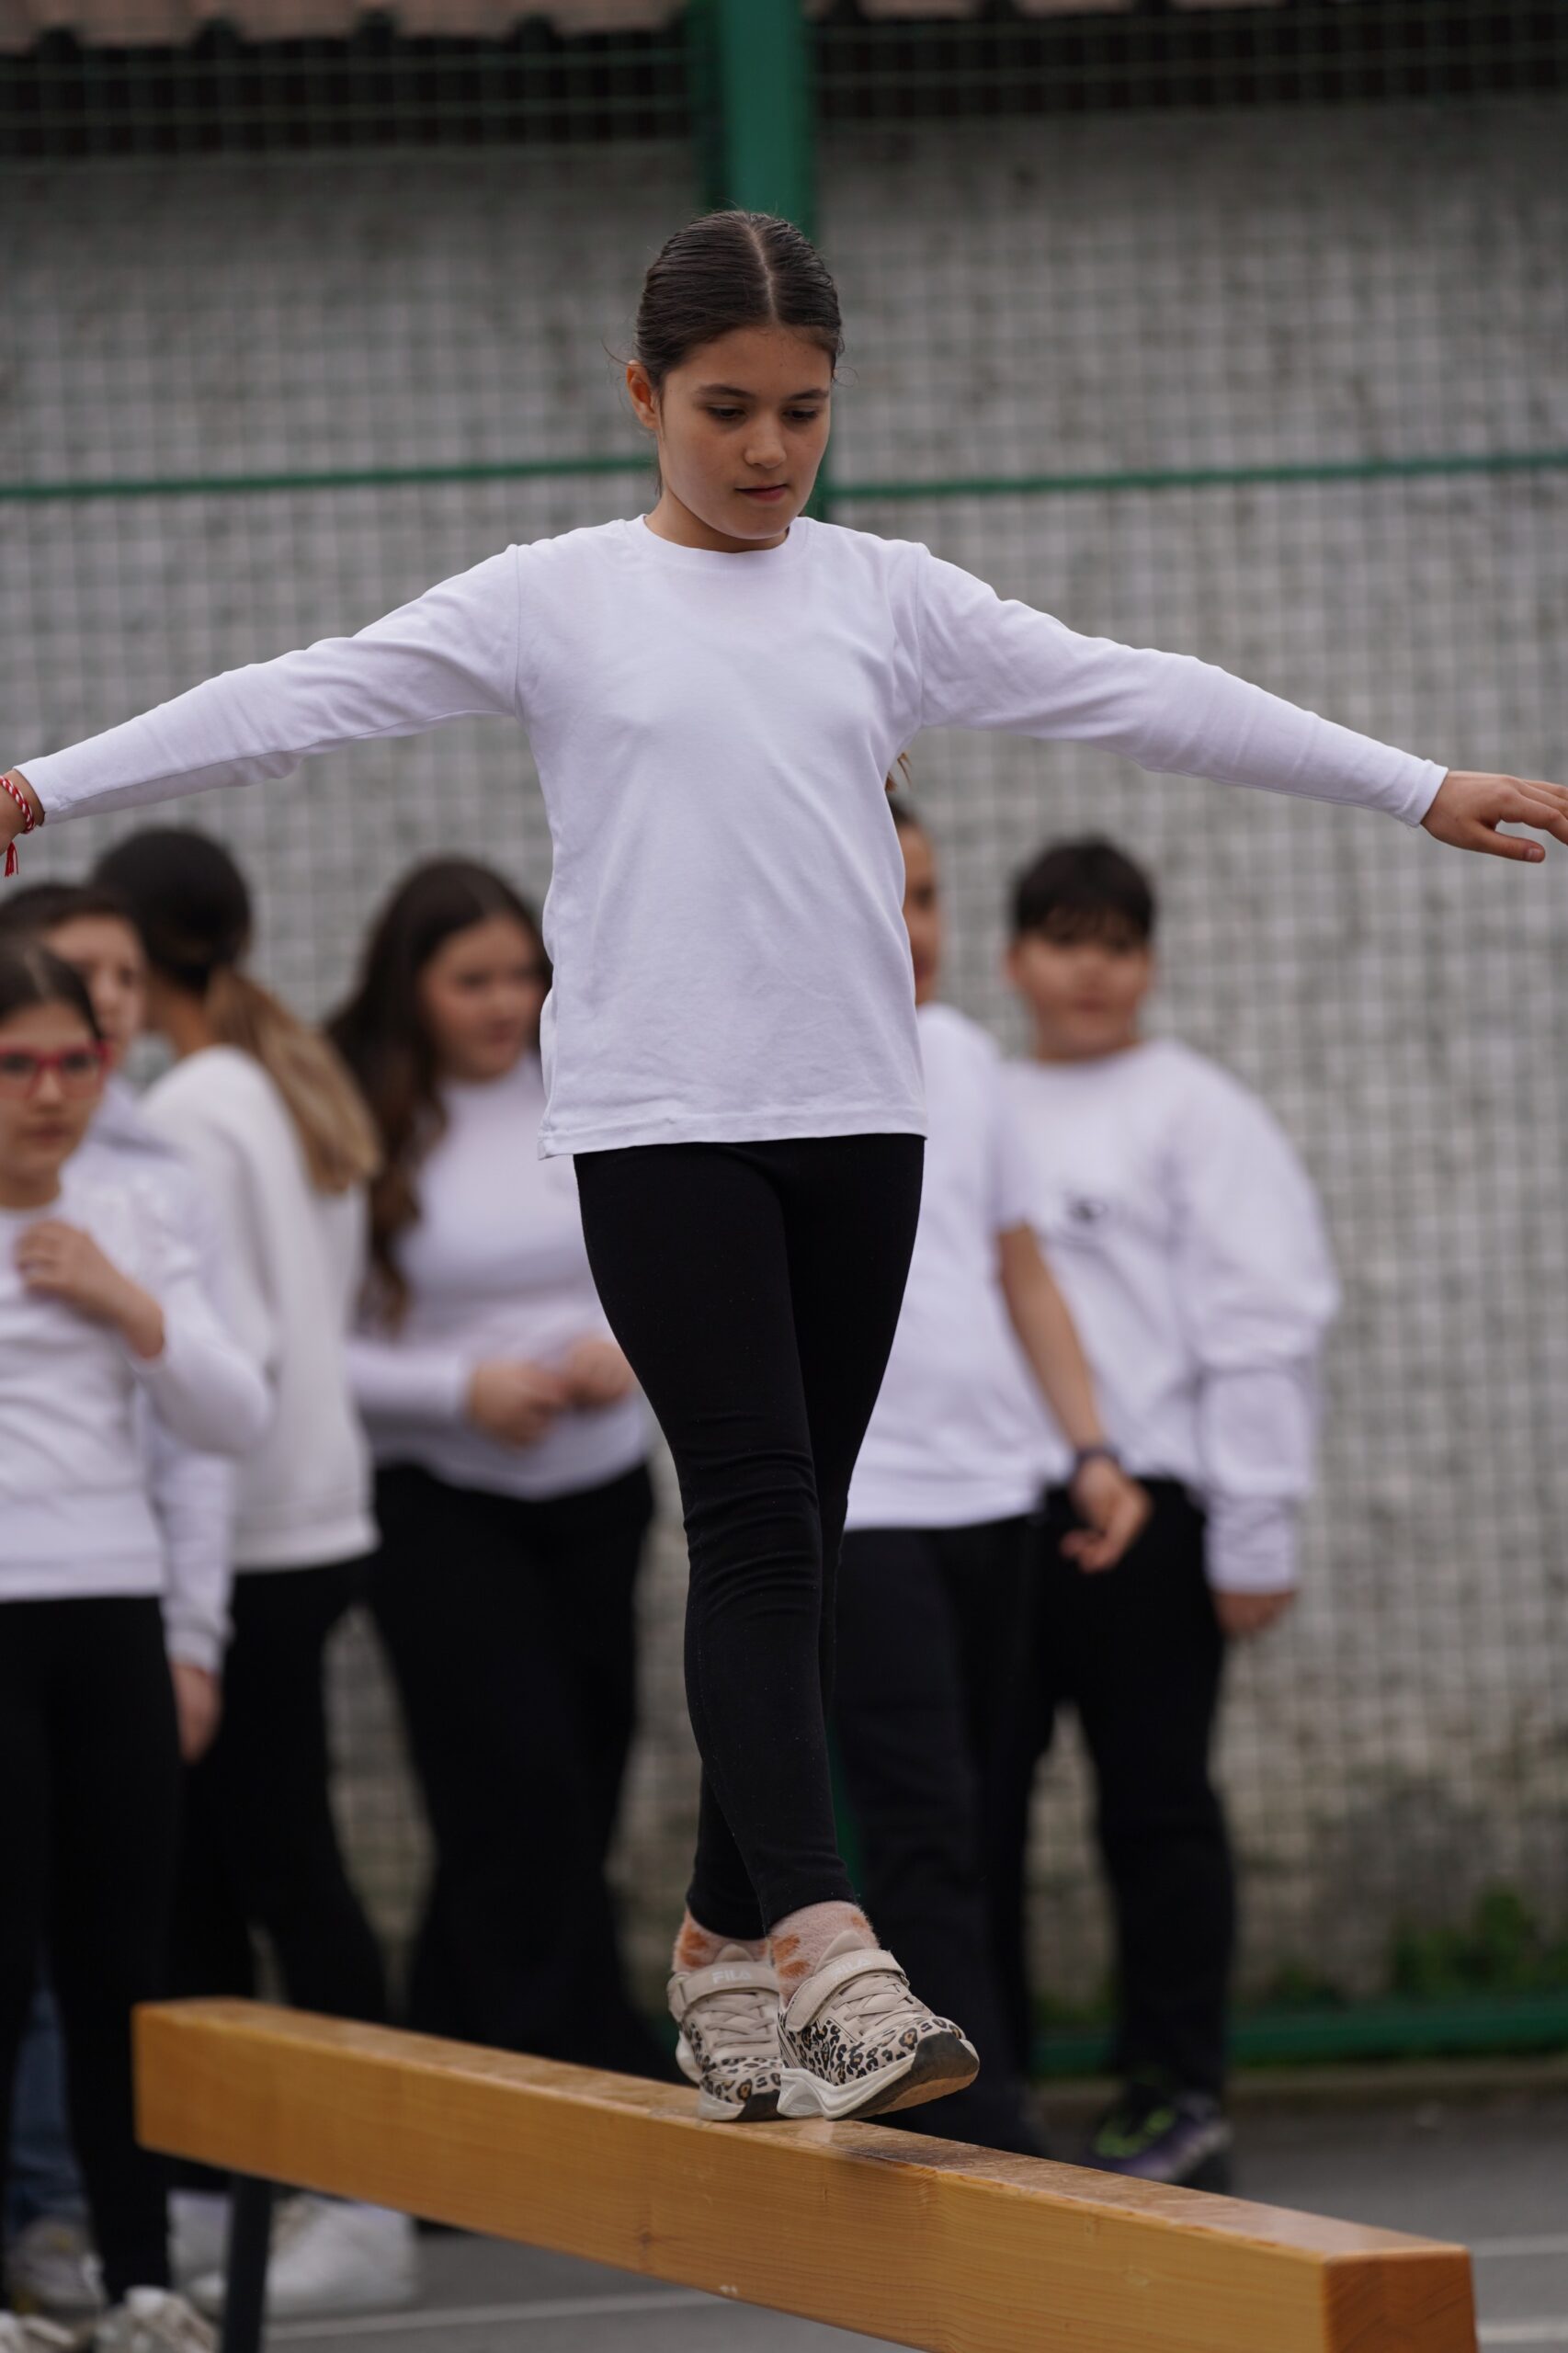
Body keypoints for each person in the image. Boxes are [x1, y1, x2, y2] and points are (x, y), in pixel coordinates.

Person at [3, 209, 1560, 2129]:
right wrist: (44, 784)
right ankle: (826, 1947)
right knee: (753, 1512)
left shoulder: (881, 599)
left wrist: (1414, 783)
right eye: (724, 409)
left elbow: (1140, 688)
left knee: (800, 1536)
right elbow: (295, 698)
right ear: (642, 395)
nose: (764, 449)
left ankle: (714, 1938)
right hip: (661, 1127)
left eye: (801, 412)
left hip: (858, 1119)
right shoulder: (556, 600)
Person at [90, 833, 416, 2321]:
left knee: (280, 1869)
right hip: (308, 1512)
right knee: (234, 1870)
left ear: (140, 954)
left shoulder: (197, 1107)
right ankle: (235, 2192)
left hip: (259, 1527)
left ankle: (363, 2197)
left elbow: (244, 1346)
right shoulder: (267, 1078)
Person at [996, 836, 1340, 2188]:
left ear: (1148, 962)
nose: (1091, 971)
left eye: (1118, 944)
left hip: (1152, 1516)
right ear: (1015, 958)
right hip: (990, 1516)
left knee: (1154, 1813)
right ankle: (986, 2090)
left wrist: (1255, 1529)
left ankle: (1174, 2094)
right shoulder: (973, 1101)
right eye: (1064, 941)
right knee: (970, 1819)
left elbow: (1262, 1327)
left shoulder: (1197, 1111)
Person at [835, 799, 1147, 2156]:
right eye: (880, 895)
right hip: (866, 1510)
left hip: (996, 1498)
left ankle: (989, 2079)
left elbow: (1021, 1273)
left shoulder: (963, 1058)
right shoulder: (777, 1070)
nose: (912, 930)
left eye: (926, 897)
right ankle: (977, 2121)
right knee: (917, 1825)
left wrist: (1089, 1450)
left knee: (992, 1811)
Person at [329, 858, 660, 2075]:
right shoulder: (358, 1115)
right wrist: (458, 1391)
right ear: (408, 986)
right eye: (471, 980)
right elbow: (305, 1341)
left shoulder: (593, 1079)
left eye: (524, 974)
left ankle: (457, 2050)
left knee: (586, 1768)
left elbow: (674, 1256)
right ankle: (578, 2059)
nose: (505, 1002)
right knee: (513, 1781)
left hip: (600, 1491)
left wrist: (630, 1348)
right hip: (440, 1502)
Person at [0, 939, 267, 2353]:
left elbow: (233, 1416)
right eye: (16, 1065)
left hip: (112, 1613)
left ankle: (140, 2276)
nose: (51, 1093)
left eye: (76, 1061)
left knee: (120, 1968)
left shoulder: (136, 1210)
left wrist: (124, 1301)